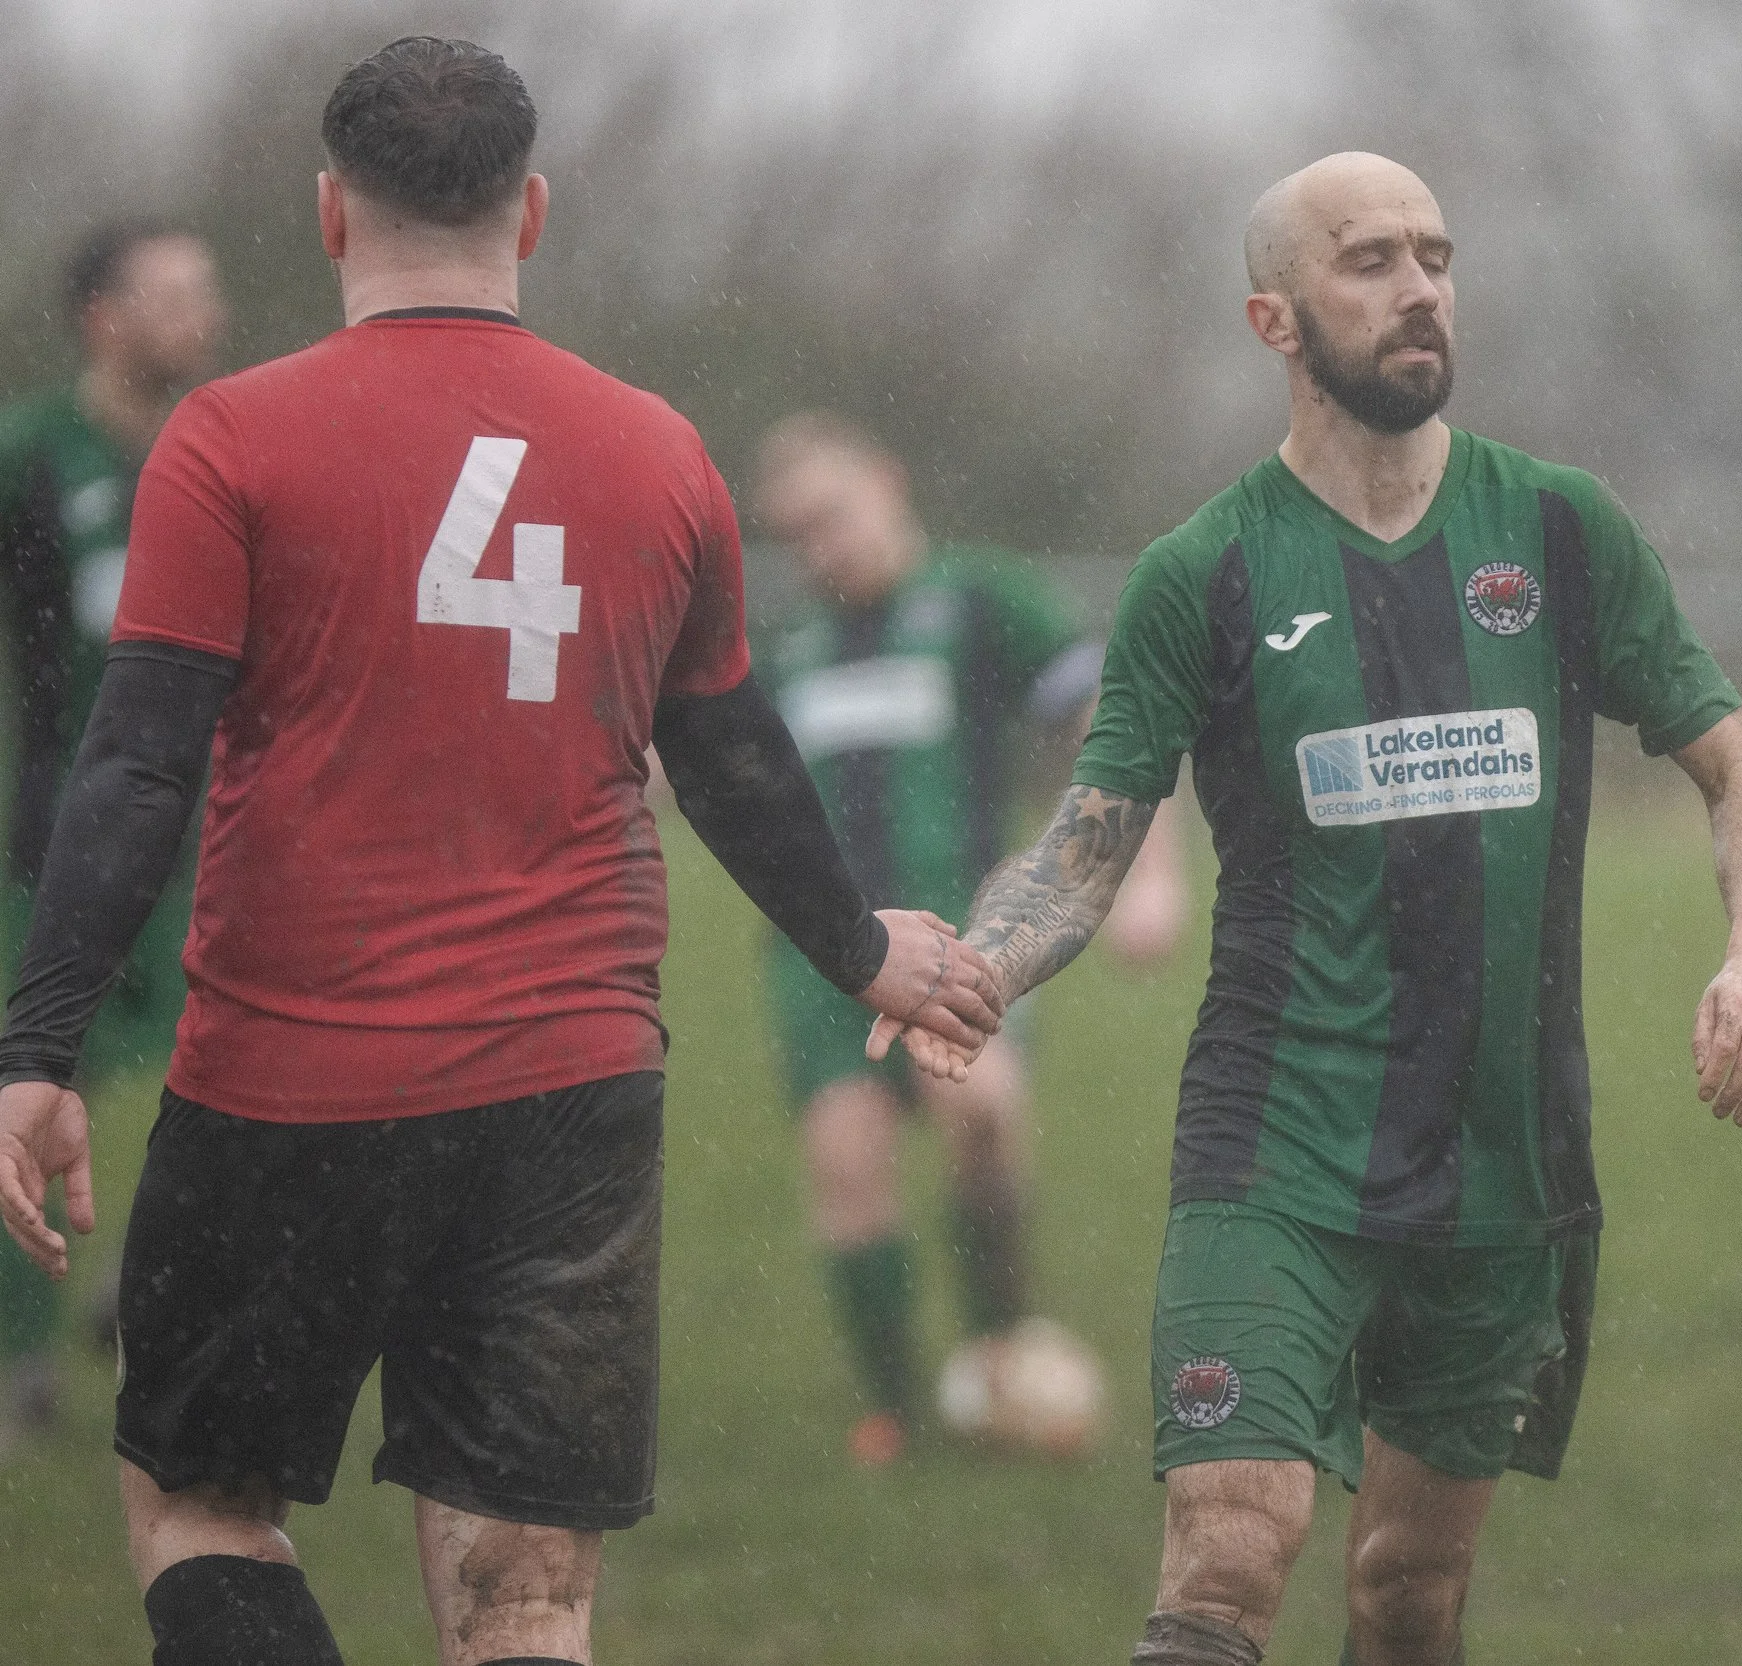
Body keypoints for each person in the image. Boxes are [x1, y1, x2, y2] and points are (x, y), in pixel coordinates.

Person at [0, 37, 997, 1666]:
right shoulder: (661, 451)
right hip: (566, 1094)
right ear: (530, 211)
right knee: (526, 1601)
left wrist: (37, 1044)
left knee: (203, 1505)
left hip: (287, 1079)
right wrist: (866, 946)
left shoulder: (228, 439)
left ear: (331, 215)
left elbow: (133, 758)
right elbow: (733, 752)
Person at [885, 152, 1742, 1666]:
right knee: (1232, 1547)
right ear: (1275, 317)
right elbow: (1091, 835)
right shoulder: (1207, 567)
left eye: (1436, 253)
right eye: (1369, 258)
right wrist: (981, 964)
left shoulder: (1562, 528)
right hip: (1278, 1143)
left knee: (1406, 1590)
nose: (1420, 286)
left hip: (1504, 1156)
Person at [750, 413, 1186, 1465]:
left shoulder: (984, 601)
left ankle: (996, 1344)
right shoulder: (790, 648)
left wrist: (1148, 874)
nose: (822, 547)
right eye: (796, 534)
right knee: (849, 1162)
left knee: (981, 1112)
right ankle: (894, 1416)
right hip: (824, 955)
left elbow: (1112, 727)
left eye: (833, 516)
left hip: (967, 930)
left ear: (888, 479)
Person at [0, 220, 227, 1451]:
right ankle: (20, 1364)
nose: (202, 313)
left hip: (217, 823)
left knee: (239, 1065)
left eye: (208, 290)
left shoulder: (234, 443)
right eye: (172, 294)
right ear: (102, 317)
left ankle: (139, 1281)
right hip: (62, 823)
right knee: (35, 1073)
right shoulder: (32, 456)